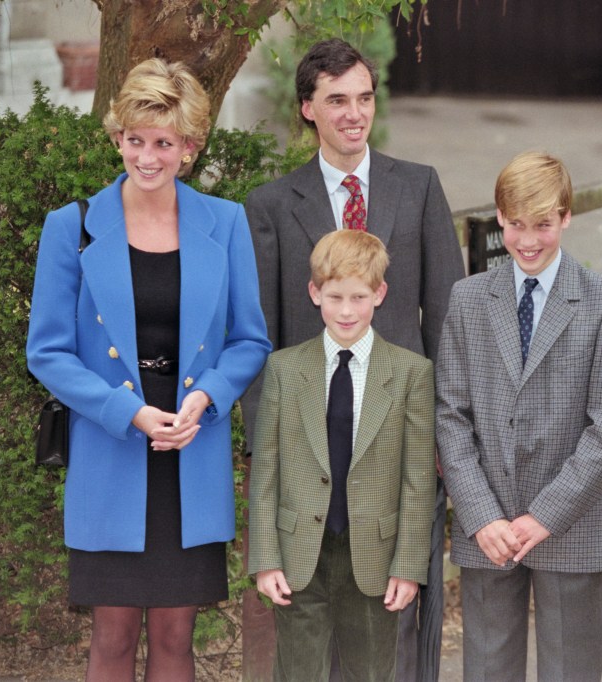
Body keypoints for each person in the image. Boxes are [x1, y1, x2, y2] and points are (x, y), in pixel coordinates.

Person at [25, 58, 271, 680]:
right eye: (135, 140)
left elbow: (249, 340)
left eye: (164, 142)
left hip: (192, 447)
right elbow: (47, 351)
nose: (147, 157)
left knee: (175, 636)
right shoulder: (72, 226)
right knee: (110, 636)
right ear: (117, 138)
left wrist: (207, 398)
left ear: (189, 146)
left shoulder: (226, 222)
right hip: (111, 446)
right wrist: (126, 411)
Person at [241, 37, 464, 681]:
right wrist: (263, 445)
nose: (354, 113)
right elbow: (262, 335)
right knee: (309, 613)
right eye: (337, 100)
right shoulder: (271, 206)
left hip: (399, 439)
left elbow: (446, 318)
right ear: (308, 107)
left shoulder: (418, 187)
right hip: (311, 441)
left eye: (364, 98)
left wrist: (446, 433)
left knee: (396, 612)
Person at [436, 151, 602, 682]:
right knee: (487, 669)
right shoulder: (468, 299)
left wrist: (547, 514)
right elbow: (450, 414)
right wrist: (480, 514)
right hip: (489, 528)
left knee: (570, 669)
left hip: (570, 523)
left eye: (543, 225)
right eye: (516, 225)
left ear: (567, 217)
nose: (528, 240)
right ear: (499, 218)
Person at [248, 228, 436, 681]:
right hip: (300, 555)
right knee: (297, 673)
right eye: (334, 297)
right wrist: (266, 558)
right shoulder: (284, 369)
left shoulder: (411, 372)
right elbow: (266, 470)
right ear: (315, 293)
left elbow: (417, 481)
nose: (346, 311)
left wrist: (408, 566)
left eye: (358, 297)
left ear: (380, 294)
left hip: (374, 557)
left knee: (370, 673)